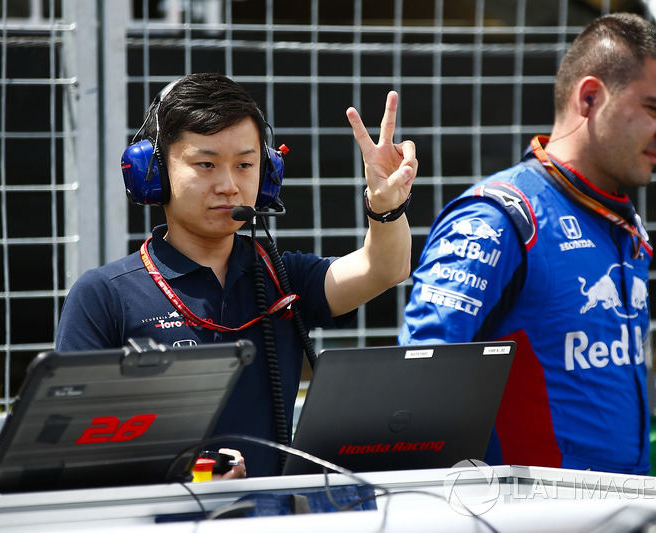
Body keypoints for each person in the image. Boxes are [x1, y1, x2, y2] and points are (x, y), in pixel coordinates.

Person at [56, 73, 417, 478]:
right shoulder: (104, 295)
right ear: (153, 172)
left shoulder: (284, 277)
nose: (229, 186)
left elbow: (385, 268)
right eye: (206, 164)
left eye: (245, 165)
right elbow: (67, 445)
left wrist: (386, 206)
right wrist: (178, 475)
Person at [399, 13, 656, 475]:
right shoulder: (499, 218)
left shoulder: (621, 220)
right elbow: (415, 384)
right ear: (590, 97)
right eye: (655, 110)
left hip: (628, 508)